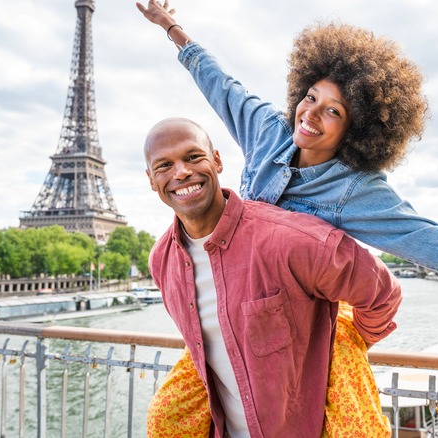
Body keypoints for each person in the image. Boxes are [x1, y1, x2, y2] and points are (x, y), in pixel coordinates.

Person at [136, 0, 438, 434]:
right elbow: (219, 84)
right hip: (249, 308)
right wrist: (171, 29)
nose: (311, 114)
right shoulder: (268, 131)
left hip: (309, 321)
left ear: (357, 130)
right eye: (311, 97)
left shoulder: (358, 191)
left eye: (334, 112)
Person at [144, 117, 402, 437]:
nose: (181, 172)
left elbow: (382, 294)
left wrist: (345, 341)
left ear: (218, 161)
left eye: (193, 157)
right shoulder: (162, 261)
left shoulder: (288, 239)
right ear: (151, 180)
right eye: (164, 165)